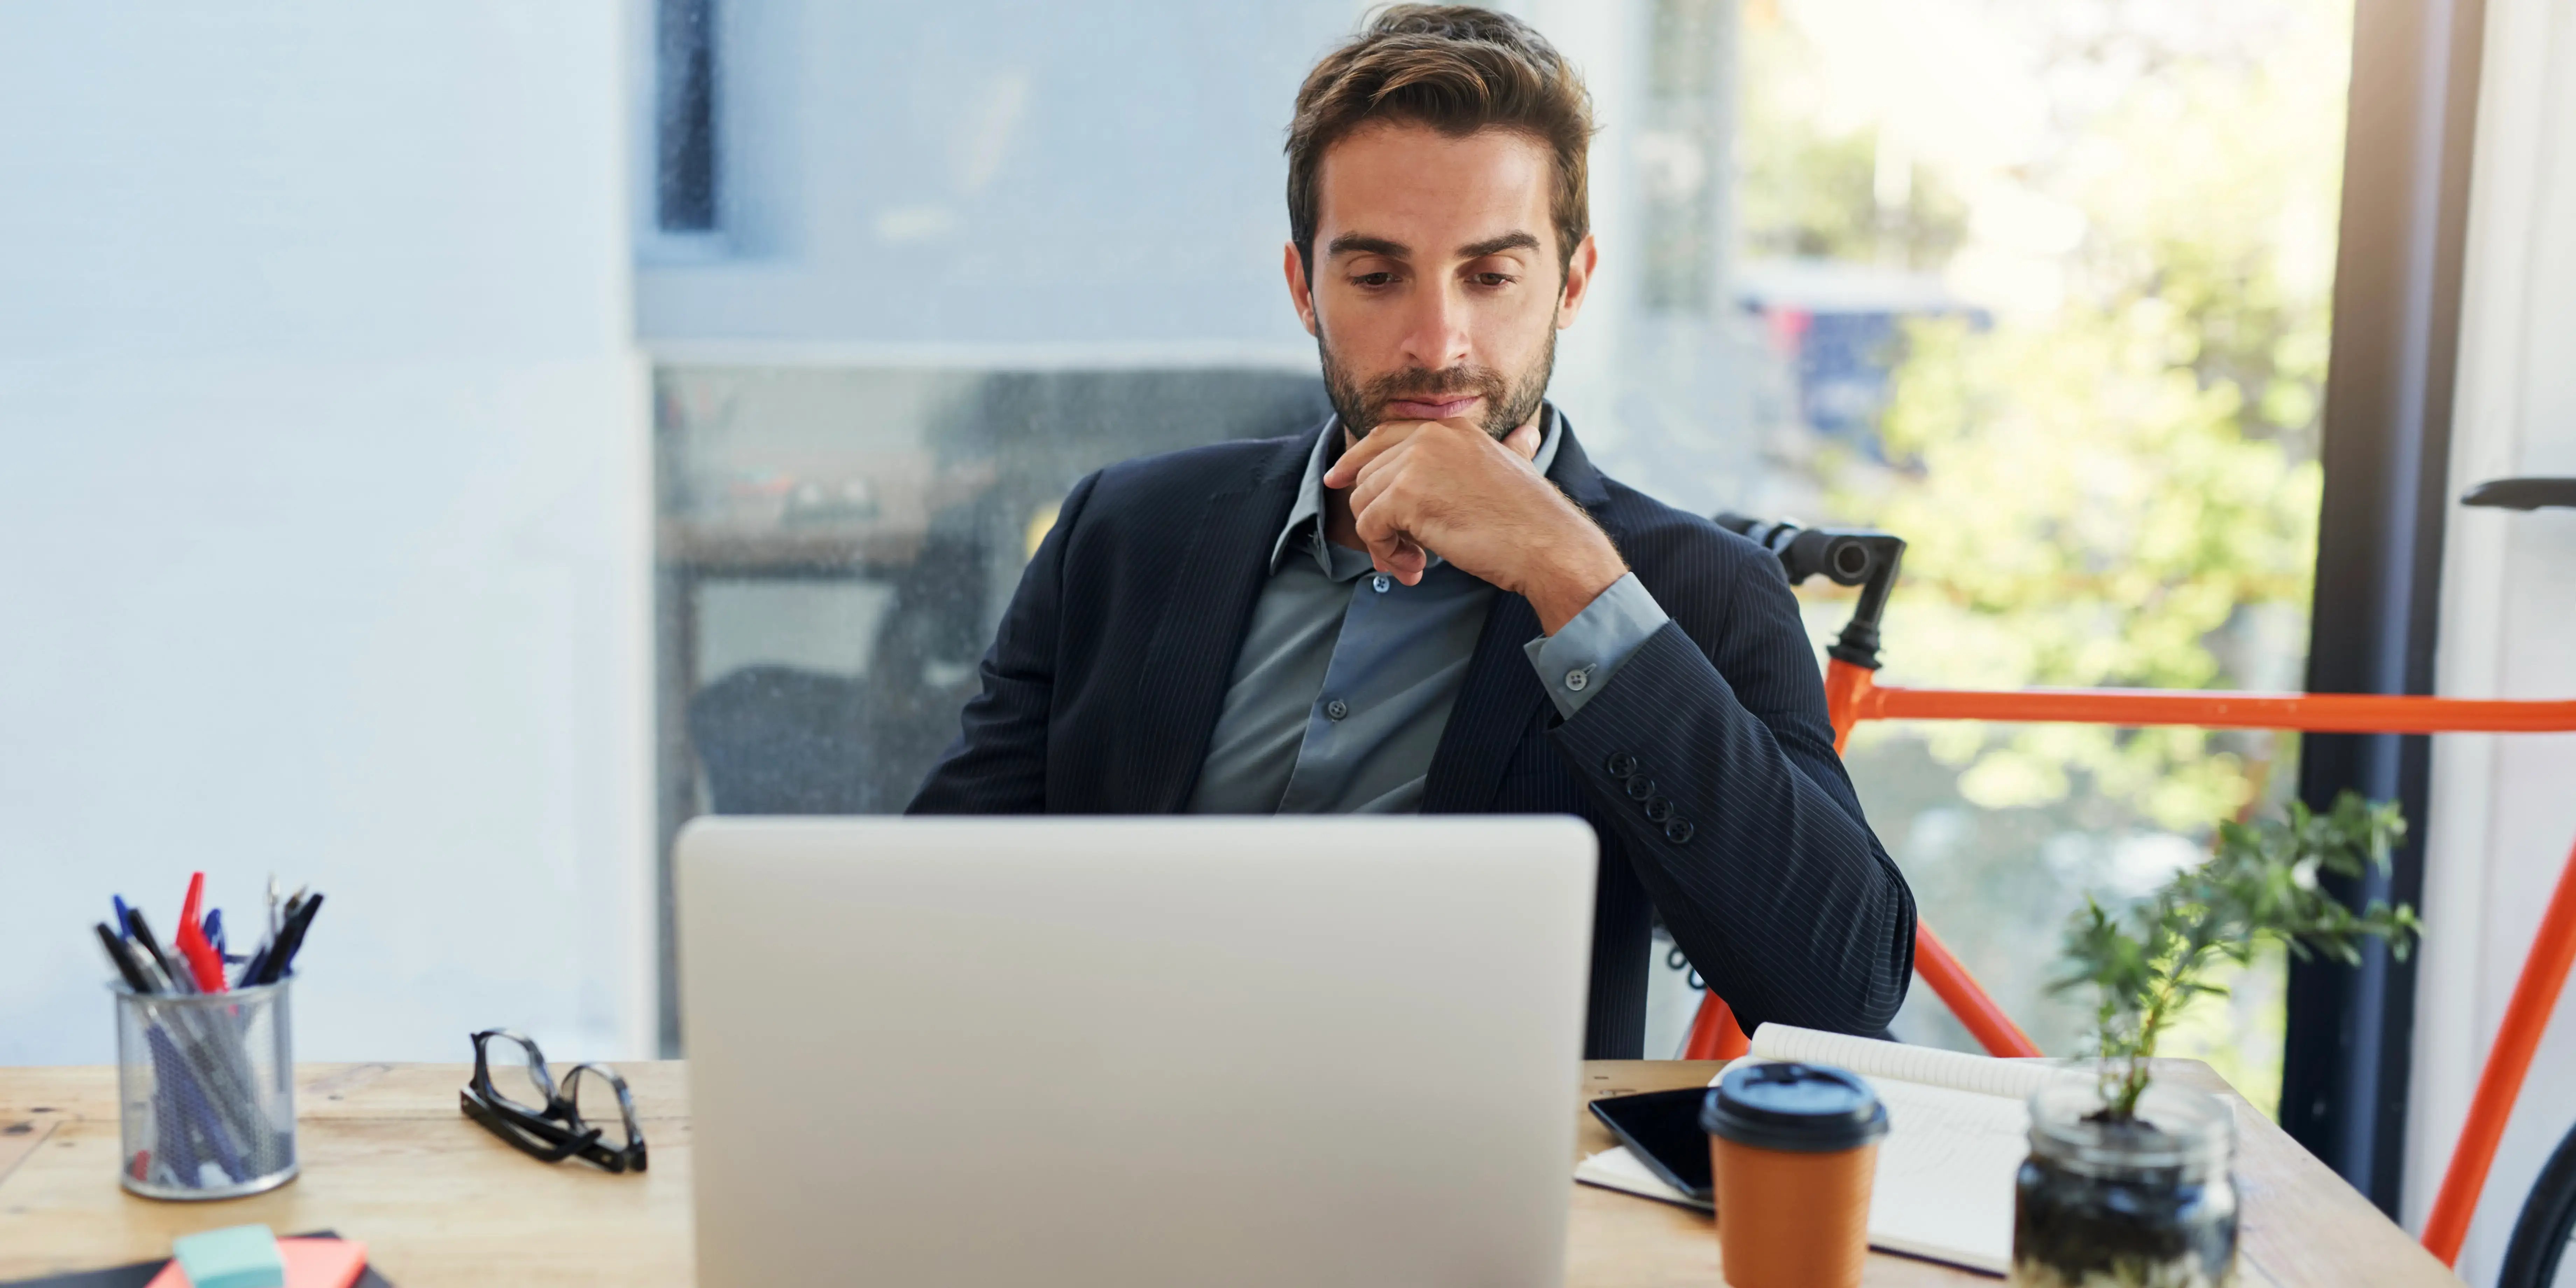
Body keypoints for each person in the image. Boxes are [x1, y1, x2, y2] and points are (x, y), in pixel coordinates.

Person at [910, 4, 1914, 1057]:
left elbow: (1843, 987)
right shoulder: (1121, 533)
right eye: (1379, 277)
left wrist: (1572, 576)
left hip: (1464, 1187)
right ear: (1306, 288)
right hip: (1106, 1140)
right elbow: (920, 916)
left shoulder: (1695, 588)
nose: (1438, 344)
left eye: (1491, 277)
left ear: (1571, 285)